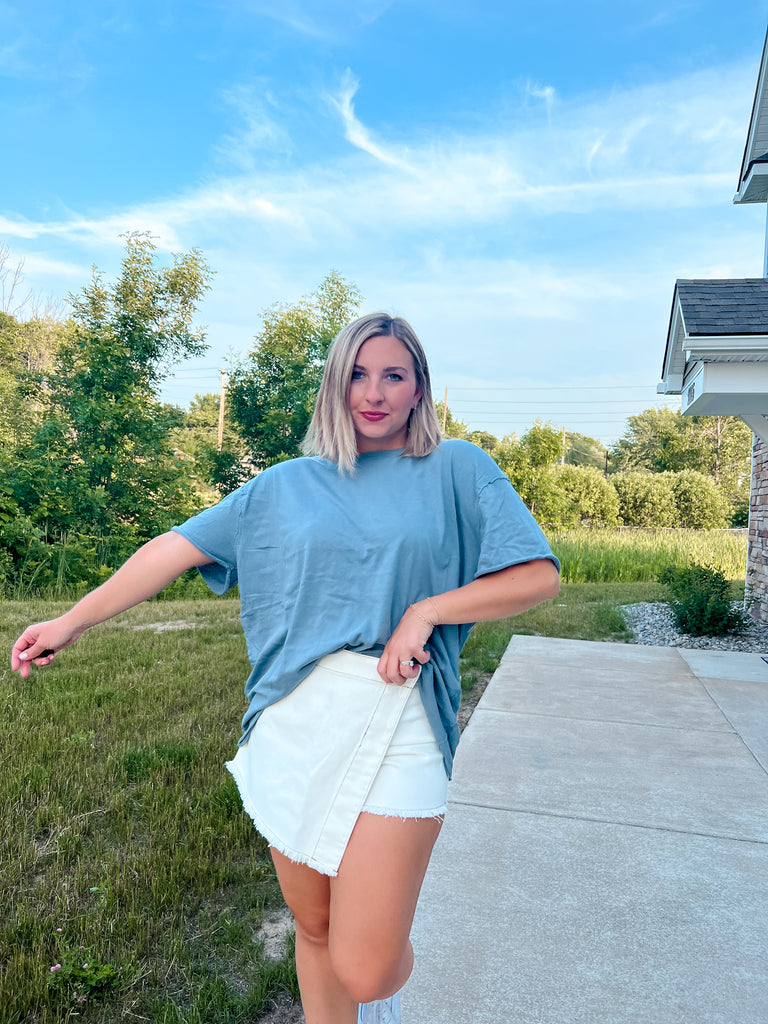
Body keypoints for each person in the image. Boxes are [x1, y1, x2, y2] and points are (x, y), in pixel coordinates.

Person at [11, 313, 560, 1024]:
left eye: (393, 375)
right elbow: (173, 549)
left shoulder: (458, 468)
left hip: (401, 714)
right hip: (294, 719)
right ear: (334, 385)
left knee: (366, 967)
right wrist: (71, 620)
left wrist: (427, 611)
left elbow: (536, 575)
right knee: (316, 926)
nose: (374, 392)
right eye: (357, 375)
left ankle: (378, 992)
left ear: (419, 388)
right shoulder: (284, 485)